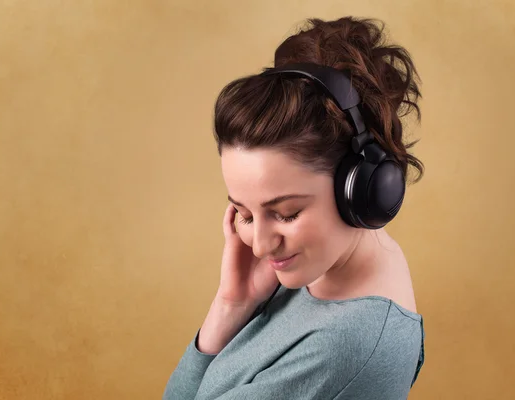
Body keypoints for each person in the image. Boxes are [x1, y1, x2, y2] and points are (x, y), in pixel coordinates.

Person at [163, 16, 425, 400]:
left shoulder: (342, 349)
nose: (260, 246)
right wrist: (230, 305)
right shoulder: (325, 261)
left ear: (363, 192)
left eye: (285, 213)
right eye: (245, 215)